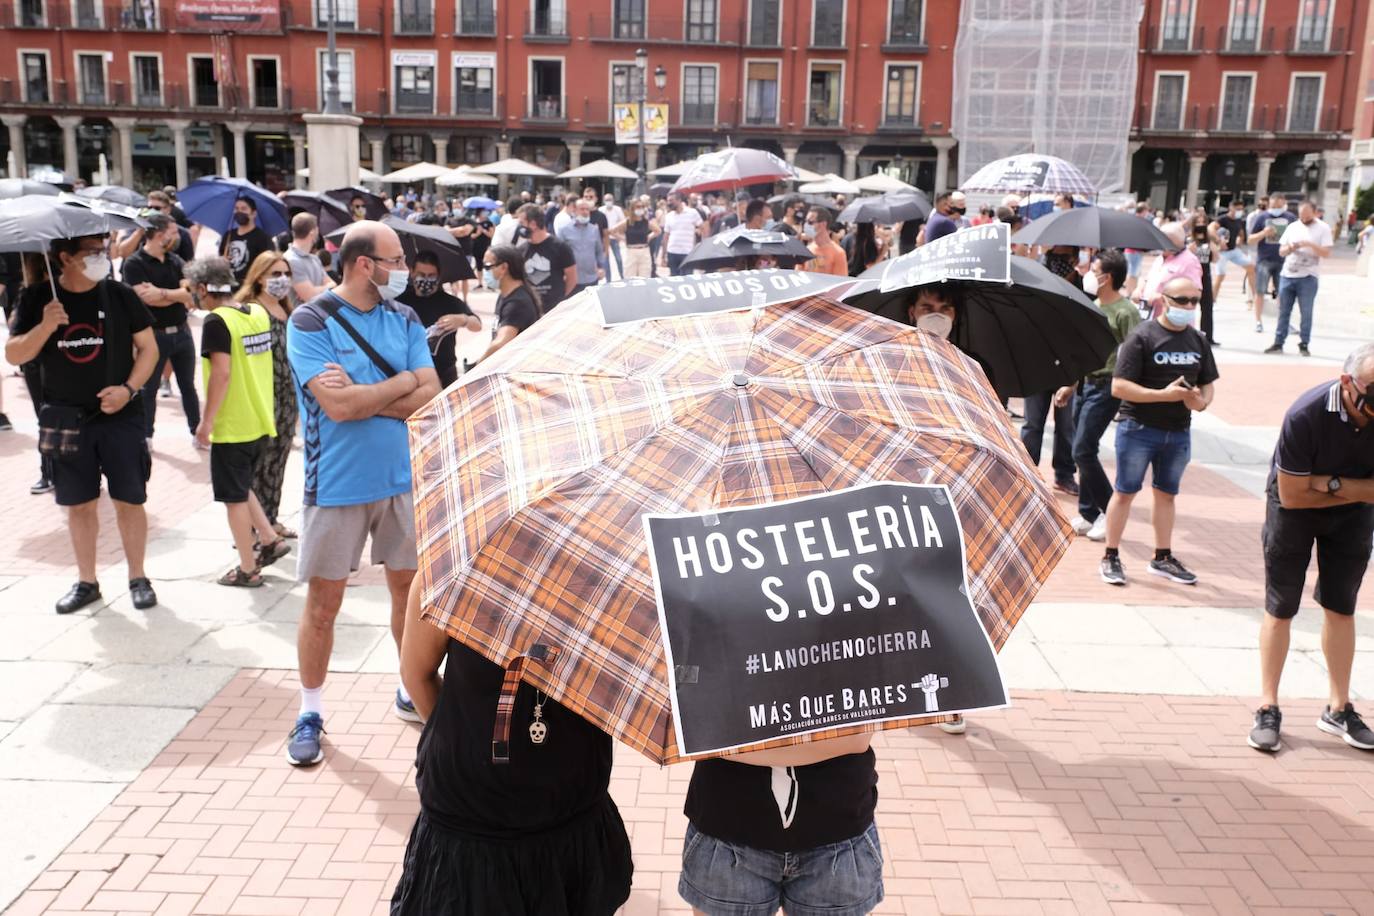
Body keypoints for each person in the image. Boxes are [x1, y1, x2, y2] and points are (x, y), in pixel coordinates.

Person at [284, 221, 441, 766]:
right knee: (324, 604)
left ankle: (409, 686)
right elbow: (340, 409)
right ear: (364, 264)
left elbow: (431, 393)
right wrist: (402, 382)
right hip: (337, 487)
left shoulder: (405, 317)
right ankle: (310, 711)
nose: (405, 270)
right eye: (395, 260)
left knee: (410, 595)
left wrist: (377, 390)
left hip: (403, 480)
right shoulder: (310, 321)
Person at [391, 575, 633, 915]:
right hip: (469, 831)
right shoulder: (455, 571)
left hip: (570, 821)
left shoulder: (615, 585)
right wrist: (464, 741)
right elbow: (416, 673)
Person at [5, 234, 160, 613]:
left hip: (120, 417)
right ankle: (87, 581)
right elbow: (13, 354)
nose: (101, 258)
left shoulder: (119, 295)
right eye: (91, 253)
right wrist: (45, 326)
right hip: (67, 419)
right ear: (64, 258)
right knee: (79, 505)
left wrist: (128, 389)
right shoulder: (38, 298)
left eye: (102, 251)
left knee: (130, 499)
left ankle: (138, 577)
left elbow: (149, 349)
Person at [1250, 343, 1374, 754]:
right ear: (1347, 383)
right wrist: (1355, 491)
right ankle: (1268, 706)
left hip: (1352, 516)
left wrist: (1330, 483)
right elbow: (1293, 496)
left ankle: (1338, 708)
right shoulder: (1305, 415)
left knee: (1342, 606)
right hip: (1292, 511)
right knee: (1281, 605)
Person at [678, 732, 883, 916]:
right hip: (726, 834)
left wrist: (729, 744)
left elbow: (856, 740)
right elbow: (698, 731)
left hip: (837, 839)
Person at [1099, 276, 1218, 588]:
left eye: (1195, 300)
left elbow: (1208, 382)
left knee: (1167, 495)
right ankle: (1111, 555)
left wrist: (1201, 402)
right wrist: (1163, 395)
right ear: (1163, 300)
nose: (1190, 307)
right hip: (1138, 427)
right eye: (1182, 300)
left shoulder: (1197, 340)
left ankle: (1162, 556)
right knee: (1125, 492)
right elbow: (1119, 386)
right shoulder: (1142, 337)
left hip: (1178, 431)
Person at [189, 256, 289, 587]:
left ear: (204, 288)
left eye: (194, 291)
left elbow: (222, 373)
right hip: (262, 418)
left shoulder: (217, 322)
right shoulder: (255, 312)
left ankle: (248, 568)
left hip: (234, 424)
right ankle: (269, 537)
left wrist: (207, 421)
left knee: (233, 498)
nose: (194, 297)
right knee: (241, 484)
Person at [1055, 250, 1140, 542]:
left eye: (1095, 269)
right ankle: (1089, 512)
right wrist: (1070, 383)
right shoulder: (1092, 305)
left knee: (1082, 449)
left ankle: (1107, 509)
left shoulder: (1126, 312)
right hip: (1086, 384)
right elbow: (1084, 351)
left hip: (1108, 387)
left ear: (1108, 277)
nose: (1090, 273)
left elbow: (1135, 354)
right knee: (1082, 450)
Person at [232, 251, 301, 541]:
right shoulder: (247, 309)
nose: (282, 280)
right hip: (261, 397)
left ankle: (270, 519)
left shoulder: (288, 311)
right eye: (275, 274)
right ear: (259, 277)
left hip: (287, 399)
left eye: (286, 274)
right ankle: (251, 528)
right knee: (258, 464)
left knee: (278, 460)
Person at [122, 212, 202, 442]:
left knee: (188, 386)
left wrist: (163, 293)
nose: (178, 236)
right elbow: (144, 297)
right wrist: (175, 295)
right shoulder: (134, 263)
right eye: (173, 232)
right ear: (159, 235)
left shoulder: (175, 260)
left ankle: (196, 430)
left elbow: (190, 292)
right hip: (154, 337)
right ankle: (146, 435)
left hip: (182, 333)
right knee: (149, 388)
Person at [397, 250, 480, 388]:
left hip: (445, 374)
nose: (426, 280)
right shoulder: (400, 301)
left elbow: (477, 325)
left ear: (439, 275)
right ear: (412, 272)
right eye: (421, 275)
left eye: (431, 276)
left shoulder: (450, 302)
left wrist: (463, 319)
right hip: (409, 373)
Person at [1265, 201, 1331, 358]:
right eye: (1301, 215)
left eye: (1307, 215)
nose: (1304, 218)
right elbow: (1281, 251)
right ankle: (1278, 341)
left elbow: (1327, 253)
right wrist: (1291, 248)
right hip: (1288, 274)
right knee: (1283, 311)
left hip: (1308, 276)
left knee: (1306, 312)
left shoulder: (1323, 228)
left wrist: (1310, 244)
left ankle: (1304, 343)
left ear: (1314, 213)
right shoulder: (1293, 227)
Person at [477, 245, 541, 363]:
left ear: (503, 268)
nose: (485, 271)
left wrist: (478, 365)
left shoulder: (517, 303)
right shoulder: (505, 295)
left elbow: (501, 342)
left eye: (487, 266)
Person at [515, 204, 578, 312]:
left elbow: (572, 278)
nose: (519, 227)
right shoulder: (521, 250)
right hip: (530, 310)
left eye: (521, 223)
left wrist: (560, 299)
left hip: (554, 311)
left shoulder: (560, 247)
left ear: (533, 224)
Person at [1136, 222, 1202, 319]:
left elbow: (1195, 293)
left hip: (1172, 320)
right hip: (1151, 317)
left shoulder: (1190, 261)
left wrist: (1163, 298)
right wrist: (1139, 289)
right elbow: (1148, 279)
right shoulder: (1160, 258)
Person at [1211, 199, 1258, 327]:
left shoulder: (1238, 220)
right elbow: (1210, 229)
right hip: (1222, 252)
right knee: (1220, 276)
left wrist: (1239, 239)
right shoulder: (1222, 219)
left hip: (1234, 250)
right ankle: (1213, 301)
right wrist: (1219, 241)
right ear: (1231, 208)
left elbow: (1241, 233)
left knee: (1251, 267)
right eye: (1237, 209)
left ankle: (1254, 299)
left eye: (1240, 209)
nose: (1239, 211)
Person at [1250, 192, 1298, 317]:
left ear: (1284, 203)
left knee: (1282, 293)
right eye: (1273, 205)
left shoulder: (1290, 218)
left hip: (1283, 260)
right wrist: (1263, 233)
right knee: (1260, 291)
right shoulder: (1262, 217)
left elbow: (1298, 236)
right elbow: (1250, 239)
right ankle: (1258, 320)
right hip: (1264, 260)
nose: (1275, 208)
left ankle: (1283, 321)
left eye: (1278, 205)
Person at [558, 198, 609, 295]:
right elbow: (559, 254)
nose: (585, 212)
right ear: (575, 210)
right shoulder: (564, 230)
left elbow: (599, 251)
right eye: (582, 209)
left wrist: (601, 267)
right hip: (572, 280)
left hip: (592, 278)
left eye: (587, 209)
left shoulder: (594, 229)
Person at [222, 197, 275, 285]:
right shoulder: (228, 235)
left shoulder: (262, 237)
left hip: (250, 289)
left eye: (243, 209)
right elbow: (221, 258)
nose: (239, 212)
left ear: (253, 214)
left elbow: (268, 265)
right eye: (236, 208)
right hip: (229, 287)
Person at [283, 212, 332, 307]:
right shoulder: (291, 260)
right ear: (312, 232)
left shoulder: (315, 258)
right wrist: (325, 288)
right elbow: (310, 297)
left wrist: (315, 290)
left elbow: (333, 285)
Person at [1187, 212, 1220, 347]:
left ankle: (1208, 337)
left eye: (1203, 222)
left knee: (1207, 307)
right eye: (1198, 222)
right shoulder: (1190, 240)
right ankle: (1187, 336)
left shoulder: (1209, 240)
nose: (1201, 224)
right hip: (1192, 277)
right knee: (1188, 306)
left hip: (1205, 276)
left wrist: (1214, 247)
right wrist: (1191, 249)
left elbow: (1215, 259)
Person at [661, 193, 703, 276]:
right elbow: (666, 236)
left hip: (687, 253)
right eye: (668, 201)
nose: (669, 203)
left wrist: (699, 244)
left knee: (687, 279)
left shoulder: (692, 213)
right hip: (672, 252)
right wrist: (663, 255)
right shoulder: (669, 216)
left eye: (671, 201)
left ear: (679, 200)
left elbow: (703, 228)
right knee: (674, 279)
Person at [615, 199, 659, 279]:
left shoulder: (646, 222)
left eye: (642, 206)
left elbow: (658, 231)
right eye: (638, 207)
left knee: (645, 278)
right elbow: (613, 231)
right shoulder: (627, 222)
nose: (640, 209)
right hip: (631, 251)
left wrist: (650, 237)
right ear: (632, 208)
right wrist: (623, 238)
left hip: (644, 251)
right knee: (629, 278)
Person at [803, 207, 847, 276]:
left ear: (823, 224)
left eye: (810, 222)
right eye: (805, 221)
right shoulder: (805, 250)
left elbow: (840, 283)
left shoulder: (838, 253)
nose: (806, 225)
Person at [600, 193, 626, 280]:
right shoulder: (601, 210)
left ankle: (622, 277)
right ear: (604, 201)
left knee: (618, 258)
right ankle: (608, 280)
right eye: (606, 200)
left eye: (610, 199)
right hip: (604, 238)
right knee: (606, 260)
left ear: (613, 200)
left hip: (615, 237)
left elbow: (623, 222)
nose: (608, 202)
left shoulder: (617, 209)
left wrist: (618, 233)